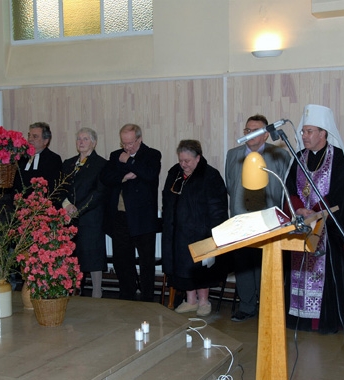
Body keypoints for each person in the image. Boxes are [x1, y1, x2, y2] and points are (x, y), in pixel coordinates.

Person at [283, 104, 344, 334]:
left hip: (327, 230)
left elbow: (339, 193)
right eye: (303, 131)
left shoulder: (338, 157)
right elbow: (288, 188)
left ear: (323, 133)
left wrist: (315, 211)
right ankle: (298, 320)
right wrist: (298, 209)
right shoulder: (298, 157)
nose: (304, 136)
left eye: (309, 131)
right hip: (301, 226)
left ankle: (323, 322)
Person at [225, 114, 290, 321]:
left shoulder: (279, 155)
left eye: (256, 131)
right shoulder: (233, 154)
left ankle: (268, 307)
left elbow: (285, 186)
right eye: (247, 130)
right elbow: (230, 183)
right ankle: (246, 306)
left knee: (265, 264)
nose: (250, 134)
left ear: (266, 135)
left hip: (268, 219)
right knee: (244, 264)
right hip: (241, 217)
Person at [161, 140, 229, 317]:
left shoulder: (210, 175)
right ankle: (190, 301)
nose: (183, 164)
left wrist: (214, 232)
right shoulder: (174, 173)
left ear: (198, 158)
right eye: (181, 160)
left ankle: (204, 301)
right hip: (177, 230)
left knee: (200, 268)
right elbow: (166, 198)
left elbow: (218, 206)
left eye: (187, 161)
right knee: (182, 267)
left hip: (201, 231)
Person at [101, 123, 162, 302]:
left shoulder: (152, 154)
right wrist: (124, 176)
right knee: (122, 260)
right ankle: (127, 294)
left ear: (139, 139)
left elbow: (149, 174)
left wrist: (128, 161)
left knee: (146, 261)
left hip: (143, 218)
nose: (127, 147)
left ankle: (147, 298)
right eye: (124, 143)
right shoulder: (115, 156)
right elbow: (105, 177)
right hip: (120, 216)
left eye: (130, 143)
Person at [60, 128, 108, 298]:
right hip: (69, 217)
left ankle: (97, 292)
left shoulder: (101, 164)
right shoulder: (68, 163)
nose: (81, 142)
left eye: (85, 139)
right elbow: (60, 188)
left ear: (93, 143)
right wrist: (66, 205)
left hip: (91, 217)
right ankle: (72, 291)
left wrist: (78, 209)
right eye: (79, 138)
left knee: (93, 255)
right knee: (72, 256)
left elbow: (99, 192)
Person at [14, 122, 63, 202]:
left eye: (35, 136)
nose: (30, 139)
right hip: (19, 205)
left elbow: (54, 189)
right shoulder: (21, 159)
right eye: (29, 135)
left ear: (46, 141)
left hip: (42, 206)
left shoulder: (53, 159)